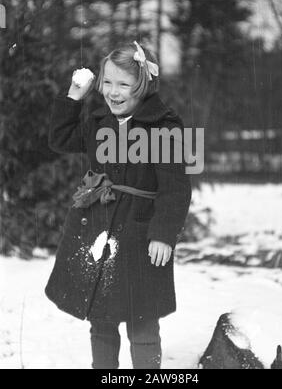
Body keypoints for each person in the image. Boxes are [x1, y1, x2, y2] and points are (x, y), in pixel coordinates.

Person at [45, 41, 192, 369]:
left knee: (142, 322)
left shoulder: (163, 126)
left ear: (143, 85)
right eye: (107, 82)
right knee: (102, 319)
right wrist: (73, 96)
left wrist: (164, 233)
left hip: (140, 235)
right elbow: (60, 139)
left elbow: (175, 187)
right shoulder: (100, 120)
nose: (112, 92)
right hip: (99, 228)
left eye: (123, 84)